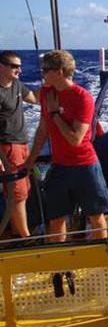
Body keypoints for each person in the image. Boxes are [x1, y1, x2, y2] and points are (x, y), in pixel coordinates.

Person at [23, 50, 108, 242]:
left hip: (85, 166)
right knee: (56, 220)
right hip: (60, 166)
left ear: (60, 72)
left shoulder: (83, 98)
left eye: (46, 70)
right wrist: (30, 161)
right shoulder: (47, 93)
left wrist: (55, 114)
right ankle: (59, 267)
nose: (42, 74)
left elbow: (75, 139)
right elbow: (42, 130)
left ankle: (99, 261)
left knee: (96, 218)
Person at [0, 51, 38, 238]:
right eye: (14, 66)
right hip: (7, 148)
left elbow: (35, 99)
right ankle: (25, 238)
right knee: (17, 193)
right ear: (2, 66)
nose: (19, 70)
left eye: (19, 66)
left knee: (25, 188)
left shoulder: (17, 86)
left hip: (22, 145)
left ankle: (17, 233)